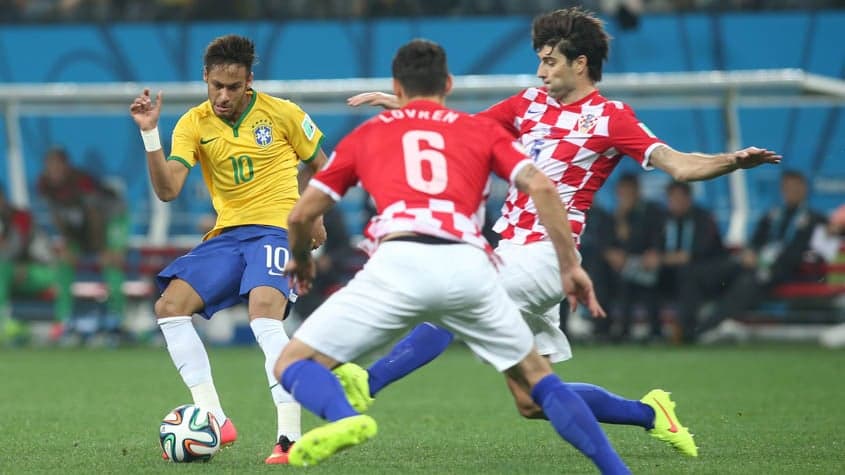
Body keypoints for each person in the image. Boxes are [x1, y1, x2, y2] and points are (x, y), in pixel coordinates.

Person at [343, 5, 779, 454]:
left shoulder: (611, 117)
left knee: (456, 301)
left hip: (548, 256)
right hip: (510, 249)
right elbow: (461, 130)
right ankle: (650, 413)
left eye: (549, 60)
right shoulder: (528, 103)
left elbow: (677, 165)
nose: (540, 70)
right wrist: (405, 104)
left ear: (580, 63)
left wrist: (731, 161)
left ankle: (365, 383)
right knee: (533, 400)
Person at [272, 38, 633, 472]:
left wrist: (304, 259)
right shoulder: (476, 129)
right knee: (538, 382)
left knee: (292, 362)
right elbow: (540, 186)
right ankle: (618, 471)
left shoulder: (369, 134)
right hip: (468, 267)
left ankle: (345, 417)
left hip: (398, 262)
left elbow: (300, 214)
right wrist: (570, 264)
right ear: (447, 83)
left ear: (396, 87)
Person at [128, 34, 328, 464]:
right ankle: (216, 418)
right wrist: (150, 135)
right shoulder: (193, 124)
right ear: (205, 77)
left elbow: (323, 166)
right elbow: (168, 190)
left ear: (249, 81)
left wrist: (313, 215)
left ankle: (290, 438)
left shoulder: (283, 113)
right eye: (216, 85)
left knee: (263, 314)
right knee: (170, 306)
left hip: (278, 229)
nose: (223, 95)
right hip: (229, 236)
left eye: (233, 87)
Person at [695, 170, 825, 340]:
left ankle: (709, 327)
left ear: (804, 189)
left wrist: (767, 264)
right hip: (757, 265)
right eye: (787, 187)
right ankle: (696, 323)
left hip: (786, 271)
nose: (790, 191)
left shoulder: (815, 219)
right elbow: (756, 241)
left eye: (795, 187)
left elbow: (801, 253)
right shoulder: (773, 215)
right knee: (716, 271)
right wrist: (750, 254)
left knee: (747, 282)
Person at [36, 147, 129, 342]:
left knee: (112, 261)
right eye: (49, 166)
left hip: (111, 218)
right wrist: (67, 243)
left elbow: (94, 215)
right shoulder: (44, 184)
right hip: (81, 231)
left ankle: (116, 321)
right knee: (64, 260)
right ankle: (63, 321)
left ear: (66, 166)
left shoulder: (81, 181)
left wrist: (102, 248)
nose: (53, 170)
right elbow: (58, 217)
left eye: (56, 165)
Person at [593, 173, 665, 342]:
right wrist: (611, 253)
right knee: (606, 277)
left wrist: (654, 252)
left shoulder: (650, 211)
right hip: (622, 266)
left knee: (646, 279)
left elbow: (654, 239)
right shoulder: (612, 216)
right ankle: (610, 330)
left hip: (645, 262)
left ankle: (655, 331)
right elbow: (607, 243)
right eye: (622, 191)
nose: (625, 195)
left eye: (629, 190)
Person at [657, 181, 728, 343]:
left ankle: (684, 330)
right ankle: (652, 330)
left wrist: (664, 258)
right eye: (672, 198)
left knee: (689, 275)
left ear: (689, 198)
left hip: (705, 273)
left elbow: (698, 253)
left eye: (679, 198)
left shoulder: (703, 218)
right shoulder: (662, 220)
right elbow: (655, 248)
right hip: (671, 273)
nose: (676, 202)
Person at [0, 187, 55, 344]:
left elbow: (11, 251)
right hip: (14, 274)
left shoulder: (20, 218)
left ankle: (3, 323)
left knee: (1, 270)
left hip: (43, 270)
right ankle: (12, 325)